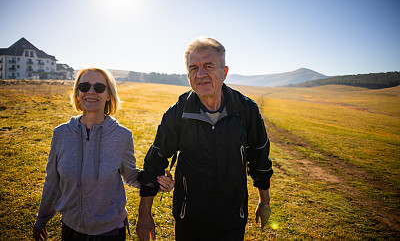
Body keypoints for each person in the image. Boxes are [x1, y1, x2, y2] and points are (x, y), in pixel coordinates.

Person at [136, 37, 273, 241]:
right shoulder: (177, 113)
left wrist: (264, 203)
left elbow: (259, 158)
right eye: (193, 68)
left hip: (232, 219)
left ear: (224, 72)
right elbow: (154, 162)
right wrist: (144, 215)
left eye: (208, 66)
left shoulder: (246, 110)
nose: (200, 75)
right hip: (189, 219)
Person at [33, 66, 175, 241]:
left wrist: (159, 182)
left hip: (110, 231)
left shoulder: (122, 136)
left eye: (99, 88)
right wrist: (42, 218)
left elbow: (131, 177)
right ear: (77, 93)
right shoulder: (61, 134)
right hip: (71, 228)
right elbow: (52, 181)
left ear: (109, 95)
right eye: (84, 87)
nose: (90, 92)